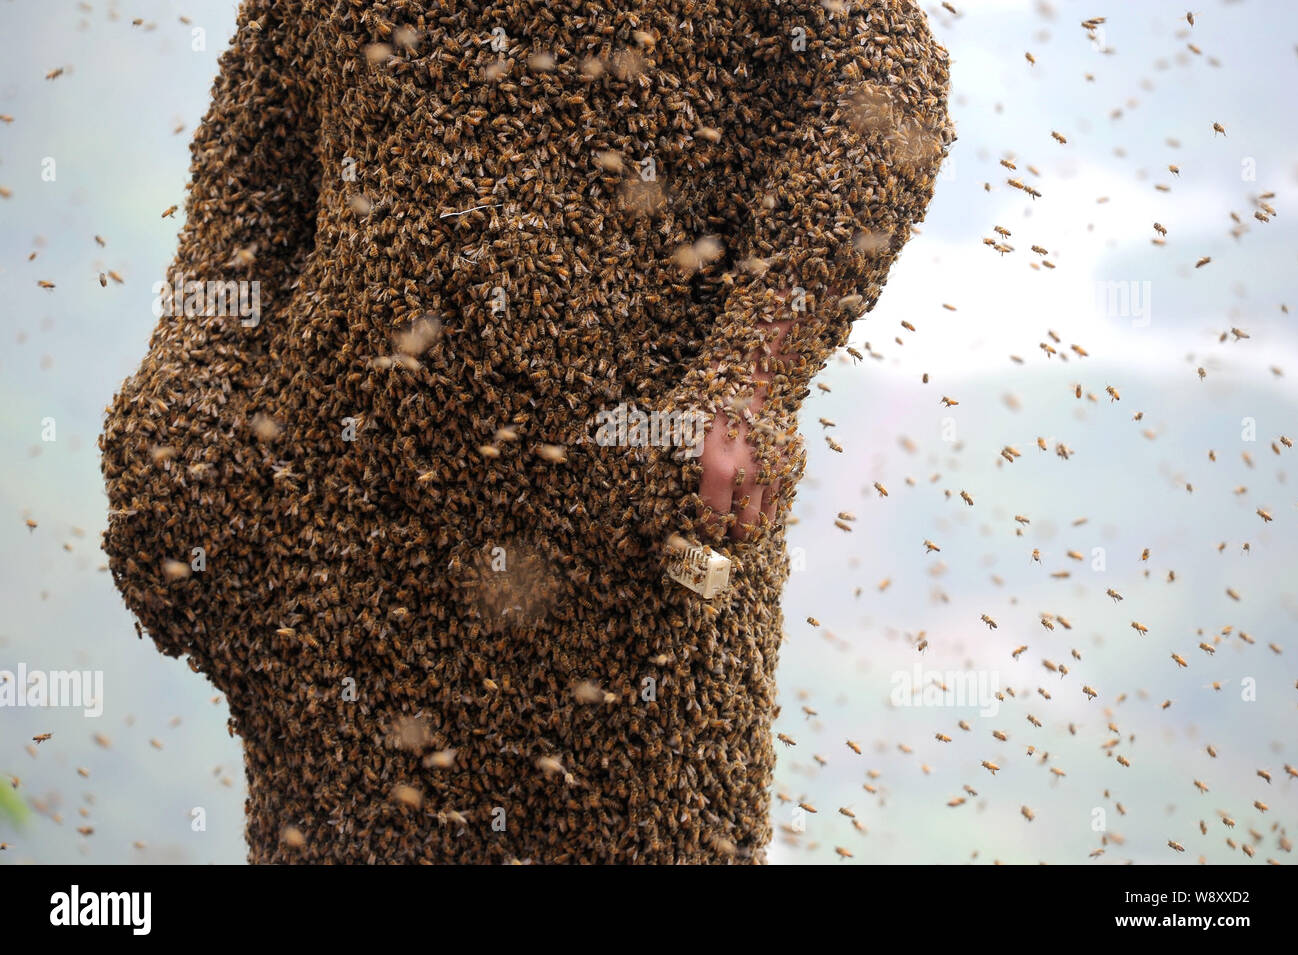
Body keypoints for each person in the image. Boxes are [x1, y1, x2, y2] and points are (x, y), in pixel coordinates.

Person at [100, 0, 952, 863]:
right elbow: (251, 177)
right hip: (343, 578)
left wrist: (752, 375)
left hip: (629, 585)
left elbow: (892, 91)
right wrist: (178, 403)